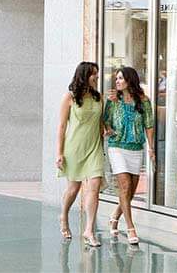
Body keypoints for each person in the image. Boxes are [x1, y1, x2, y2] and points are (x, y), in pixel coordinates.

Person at [56, 62, 106, 247]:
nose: (97, 78)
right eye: (94, 74)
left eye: (97, 74)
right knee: (73, 189)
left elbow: (100, 122)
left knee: (94, 187)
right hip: (74, 148)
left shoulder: (99, 97)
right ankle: (64, 216)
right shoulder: (69, 97)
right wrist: (59, 153)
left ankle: (89, 230)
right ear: (84, 76)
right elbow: (61, 126)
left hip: (94, 148)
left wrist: (106, 129)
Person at [104, 67, 155, 245]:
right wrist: (108, 130)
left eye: (120, 78)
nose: (117, 81)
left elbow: (149, 124)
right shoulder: (113, 100)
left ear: (129, 80)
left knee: (130, 191)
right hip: (117, 146)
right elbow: (105, 121)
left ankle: (114, 217)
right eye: (116, 79)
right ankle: (131, 227)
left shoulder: (144, 101)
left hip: (136, 148)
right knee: (124, 187)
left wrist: (151, 148)